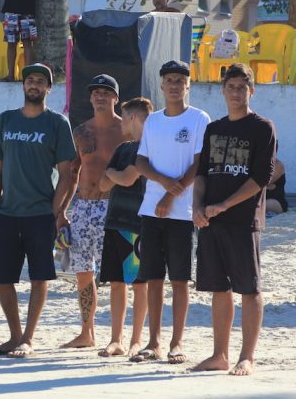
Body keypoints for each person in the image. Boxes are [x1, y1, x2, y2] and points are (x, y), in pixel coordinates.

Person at [192, 63, 277, 376]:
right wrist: (197, 207)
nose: (237, 92)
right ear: (223, 90)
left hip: (243, 221)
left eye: (243, 87)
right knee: (219, 288)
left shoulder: (262, 127)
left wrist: (225, 204)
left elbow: (261, 177)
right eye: (231, 86)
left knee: (250, 289)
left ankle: (247, 357)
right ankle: (219, 355)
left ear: (251, 91)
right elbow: (201, 173)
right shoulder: (214, 128)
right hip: (212, 221)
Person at [0, 63, 76, 357]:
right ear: (23, 86)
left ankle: (28, 337)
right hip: (6, 214)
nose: (34, 84)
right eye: (30, 80)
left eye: (40, 80)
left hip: (40, 213)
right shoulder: (7, 120)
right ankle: (14, 336)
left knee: (39, 277)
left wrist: (56, 210)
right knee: (2, 278)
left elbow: (68, 172)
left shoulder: (57, 123)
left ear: (49, 88)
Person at [133, 60, 210, 364]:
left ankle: (176, 343)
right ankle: (153, 342)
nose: (175, 86)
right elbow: (140, 162)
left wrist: (170, 194)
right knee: (153, 278)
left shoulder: (198, 119)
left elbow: (199, 162)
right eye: (170, 80)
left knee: (179, 280)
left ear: (188, 85)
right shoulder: (152, 121)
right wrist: (163, 183)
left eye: (180, 80)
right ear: (162, 85)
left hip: (181, 213)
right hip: (151, 212)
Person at [60, 74, 128, 349]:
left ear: (116, 98)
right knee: (83, 272)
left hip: (113, 207)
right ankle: (87, 333)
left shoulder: (127, 130)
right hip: (83, 207)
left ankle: (117, 338)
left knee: (116, 274)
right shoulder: (80, 131)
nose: (100, 97)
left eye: (106, 92)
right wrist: (62, 210)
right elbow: (71, 174)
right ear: (90, 98)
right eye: (95, 92)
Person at [97, 97, 153, 358]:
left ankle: (136, 340)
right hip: (115, 222)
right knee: (117, 282)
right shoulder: (123, 149)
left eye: (124, 116)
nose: (121, 122)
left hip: (138, 224)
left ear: (133, 117)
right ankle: (115, 339)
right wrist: (116, 175)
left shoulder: (151, 146)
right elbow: (103, 184)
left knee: (139, 284)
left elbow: (128, 179)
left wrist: (116, 175)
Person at [0, 0, 42, 81]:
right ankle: (10, 75)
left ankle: (27, 76)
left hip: (28, 13)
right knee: (11, 44)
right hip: (10, 11)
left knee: (28, 44)